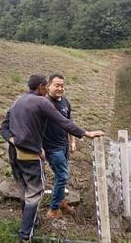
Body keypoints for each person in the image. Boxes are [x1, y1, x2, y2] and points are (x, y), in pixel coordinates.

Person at [0, 74, 104, 242]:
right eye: (48, 85)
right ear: (42, 86)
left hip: (14, 153)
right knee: (35, 192)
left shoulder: (17, 101)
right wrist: (85, 133)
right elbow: (63, 122)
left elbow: (4, 127)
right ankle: (26, 234)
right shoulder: (43, 102)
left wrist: (13, 141)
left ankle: (29, 221)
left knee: (23, 188)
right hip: (30, 154)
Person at [43, 74, 77, 220]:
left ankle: (62, 202)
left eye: (62, 86)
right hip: (51, 148)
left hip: (63, 145)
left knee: (61, 176)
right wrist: (40, 147)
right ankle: (53, 209)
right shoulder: (44, 103)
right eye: (56, 85)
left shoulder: (65, 102)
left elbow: (70, 123)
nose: (60, 88)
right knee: (63, 176)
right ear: (48, 86)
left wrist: (73, 141)